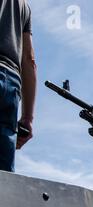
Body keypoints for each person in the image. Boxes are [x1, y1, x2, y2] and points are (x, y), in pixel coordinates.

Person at [0, 0, 37, 172]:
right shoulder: (23, 6)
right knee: (3, 174)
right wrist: (28, 118)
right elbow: (29, 60)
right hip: (11, 85)